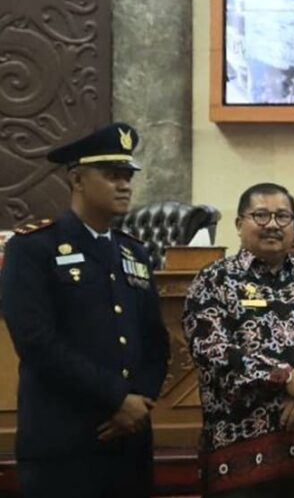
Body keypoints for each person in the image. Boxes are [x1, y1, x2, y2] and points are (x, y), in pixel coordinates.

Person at [0, 123, 170, 497]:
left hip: (130, 443)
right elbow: (36, 343)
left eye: (127, 176)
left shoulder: (134, 252)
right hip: (64, 440)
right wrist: (116, 398)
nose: (124, 185)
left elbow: (155, 342)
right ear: (77, 179)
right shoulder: (33, 249)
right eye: (112, 176)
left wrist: (139, 402)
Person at [183, 182, 294, 497]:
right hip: (237, 462)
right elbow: (212, 351)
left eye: (283, 216)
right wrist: (286, 379)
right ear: (239, 224)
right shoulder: (213, 280)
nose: (273, 225)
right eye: (261, 216)